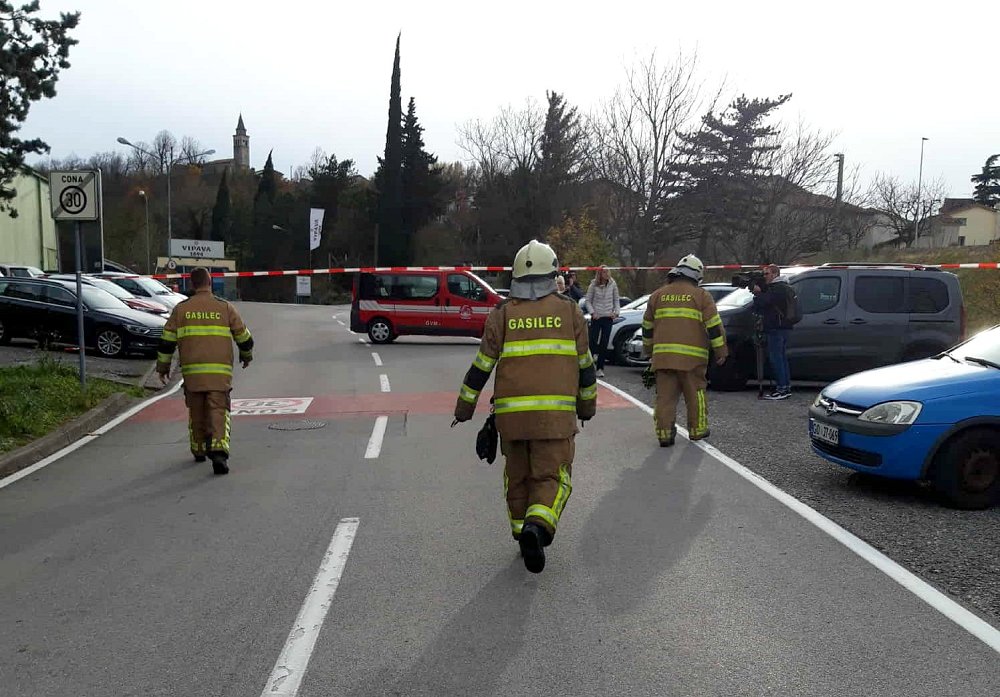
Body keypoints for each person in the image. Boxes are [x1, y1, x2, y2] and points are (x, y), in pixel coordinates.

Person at [453, 240, 597, 574]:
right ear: (554, 272)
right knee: (552, 477)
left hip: (511, 420)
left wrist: (464, 408)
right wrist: (587, 406)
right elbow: (586, 366)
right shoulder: (569, 311)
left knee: (517, 478)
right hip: (555, 419)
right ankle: (537, 527)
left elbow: (481, 367)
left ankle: (521, 534)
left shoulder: (502, 313)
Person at [156, 267, 254, 475]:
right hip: (219, 372)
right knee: (218, 410)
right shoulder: (225, 307)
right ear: (210, 283)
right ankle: (218, 452)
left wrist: (163, 368)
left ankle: (199, 449)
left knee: (197, 409)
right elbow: (244, 336)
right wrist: (246, 355)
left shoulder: (181, 310)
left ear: (192, 285)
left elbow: (166, 342)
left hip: (192, 372)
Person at [641, 254, 727, 446]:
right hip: (692, 360)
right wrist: (721, 352)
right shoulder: (702, 296)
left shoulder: (657, 296)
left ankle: (664, 434)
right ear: (696, 276)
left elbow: (647, 327)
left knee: (664, 398)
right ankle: (697, 430)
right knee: (696, 394)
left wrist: (648, 351)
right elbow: (714, 327)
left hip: (663, 358)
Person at [751, 264, 794, 400]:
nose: (764, 277)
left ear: (775, 274)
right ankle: (785, 386)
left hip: (776, 327)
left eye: (766, 274)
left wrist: (757, 293)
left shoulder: (777, 289)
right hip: (783, 327)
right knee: (781, 358)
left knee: (776, 359)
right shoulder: (785, 287)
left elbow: (762, 303)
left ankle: (782, 388)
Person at [584, 265, 620, 378]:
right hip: (597, 317)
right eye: (604, 272)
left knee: (604, 342)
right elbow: (588, 301)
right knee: (593, 341)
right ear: (600, 274)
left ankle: (600, 368)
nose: (607, 274)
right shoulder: (593, 285)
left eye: (608, 271)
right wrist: (592, 313)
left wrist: (616, 312)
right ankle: (589, 365)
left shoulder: (613, 284)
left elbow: (616, 299)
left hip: (608, 317)